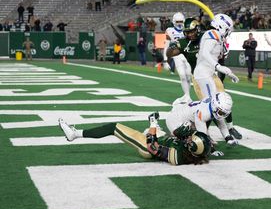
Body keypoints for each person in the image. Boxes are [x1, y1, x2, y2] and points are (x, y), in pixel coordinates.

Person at [58, 112, 211, 166]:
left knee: (113, 127)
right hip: (160, 140)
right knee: (150, 130)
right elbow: (180, 139)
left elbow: (153, 148)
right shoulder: (194, 151)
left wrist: (152, 124)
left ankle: (74, 134)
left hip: (148, 148)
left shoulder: (178, 155)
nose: (190, 137)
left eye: (191, 139)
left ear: (191, 148)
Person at [193, 14, 240, 144]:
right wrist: (218, 67)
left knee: (215, 107)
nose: (228, 33)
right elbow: (205, 53)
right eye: (228, 29)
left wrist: (229, 73)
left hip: (208, 74)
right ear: (223, 26)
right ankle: (204, 138)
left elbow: (214, 55)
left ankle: (226, 136)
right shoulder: (213, 33)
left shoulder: (217, 36)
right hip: (203, 74)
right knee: (212, 107)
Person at [164, 12, 192, 103]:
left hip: (187, 55)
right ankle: (187, 96)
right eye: (177, 21)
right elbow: (166, 45)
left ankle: (187, 95)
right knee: (182, 76)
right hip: (177, 56)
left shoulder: (188, 29)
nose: (179, 23)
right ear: (174, 21)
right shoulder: (169, 30)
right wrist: (165, 60)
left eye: (181, 21)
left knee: (188, 76)